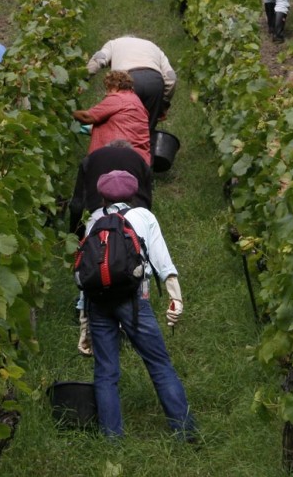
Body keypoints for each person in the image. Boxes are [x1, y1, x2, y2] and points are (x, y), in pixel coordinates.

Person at [77, 170, 194, 440]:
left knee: (105, 373)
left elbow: (86, 271)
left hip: (98, 302)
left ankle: (111, 438)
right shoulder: (144, 216)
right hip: (134, 299)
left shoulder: (94, 221)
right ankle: (185, 432)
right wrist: (175, 296)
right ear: (132, 194)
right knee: (159, 364)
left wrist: (84, 321)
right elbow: (162, 261)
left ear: (102, 196)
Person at [86, 36, 177, 135]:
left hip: (127, 81)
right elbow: (171, 78)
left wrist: (83, 79)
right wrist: (163, 104)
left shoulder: (113, 44)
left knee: (118, 126)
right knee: (145, 132)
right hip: (155, 83)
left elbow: (99, 58)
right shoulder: (154, 48)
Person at [67, 139, 153, 237]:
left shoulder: (91, 158)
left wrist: (75, 235)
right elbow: (147, 201)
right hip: (135, 218)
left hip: (97, 217)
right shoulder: (140, 161)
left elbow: (77, 205)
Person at [72, 70, 151, 164]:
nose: (106, 93)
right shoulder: (136, 102)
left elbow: (87, 117)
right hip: (140, 160)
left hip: (118, 158)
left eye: (108, 88)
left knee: (85, 169)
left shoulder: (119, 98)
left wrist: (67, 112)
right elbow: (118, 127)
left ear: (115, 85)